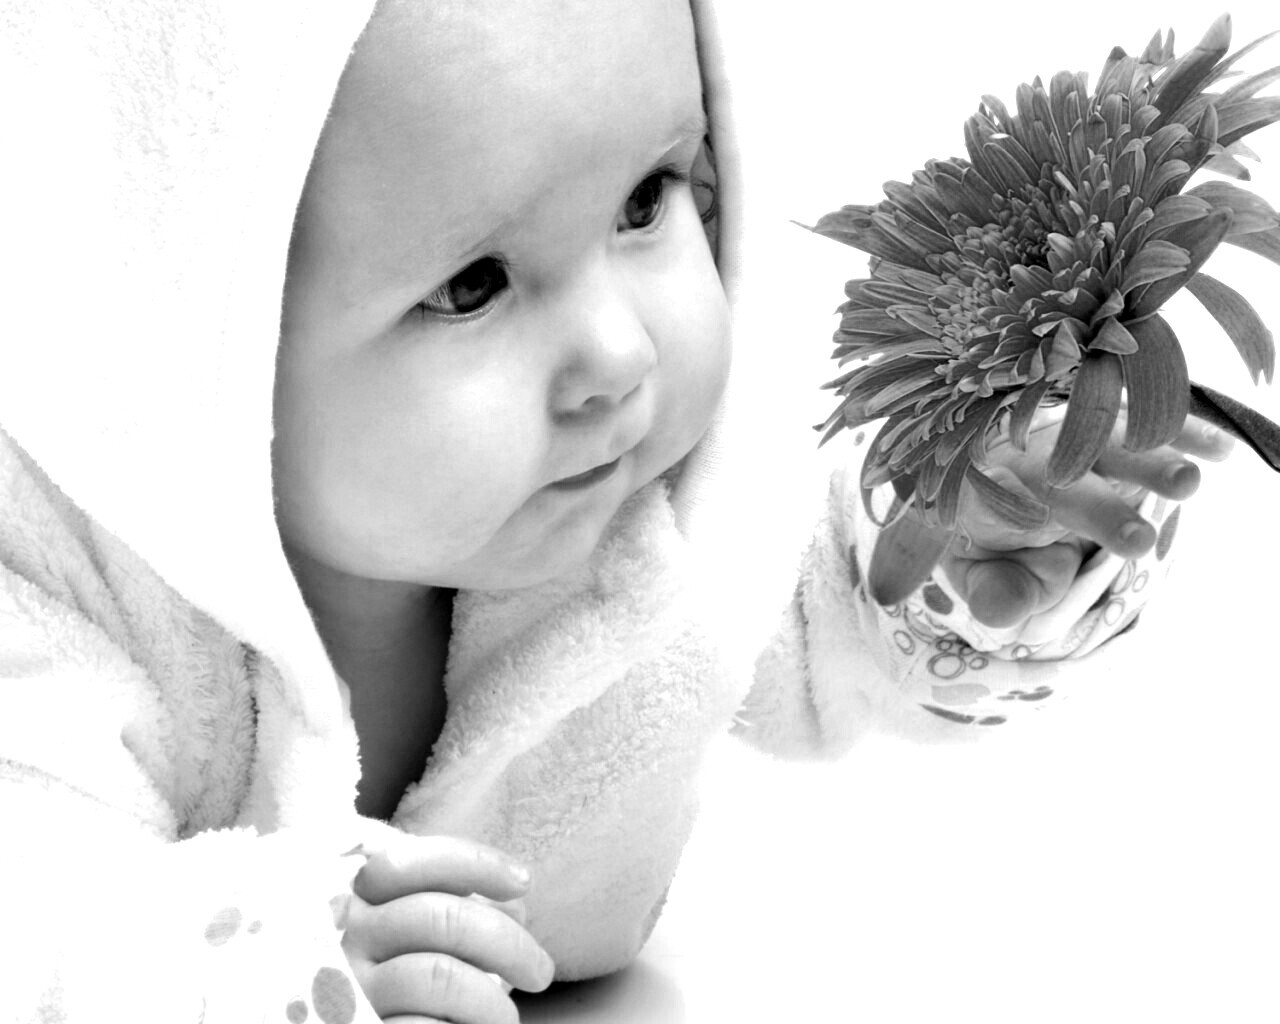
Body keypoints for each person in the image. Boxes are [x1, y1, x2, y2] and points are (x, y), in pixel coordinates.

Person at [0, 0, 1234, 1021]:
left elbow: (823, 610)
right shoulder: (52, 596)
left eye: (645, 199)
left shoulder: (652, 490)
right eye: (472, 285)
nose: (619, 352)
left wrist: (956, 540)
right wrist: (247, 964)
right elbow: (33, 912)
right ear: (173, 333)